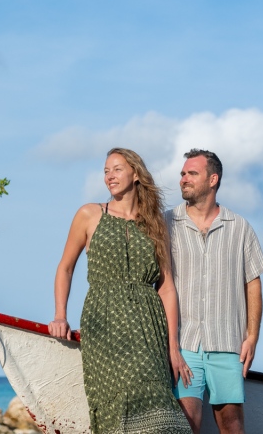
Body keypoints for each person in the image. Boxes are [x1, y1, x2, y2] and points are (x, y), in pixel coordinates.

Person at [48, 148, 191, 434]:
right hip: (104, 323)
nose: (109, 177)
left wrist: (173, 347)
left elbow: (166, 286)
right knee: (114, 400)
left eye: (116, 169)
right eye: (105, 171)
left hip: (147, 325)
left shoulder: (155, 224)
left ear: (135, 174)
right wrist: (60, 315)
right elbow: (65, 268)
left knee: (158, 400)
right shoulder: (89, 214)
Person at [166, 149, 263, 434]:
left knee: (232, 426)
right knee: (185, 424)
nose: (184, 178)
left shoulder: (240, 227)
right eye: (183, 173)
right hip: (183, 343)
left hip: (227, 343)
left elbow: (253, 283)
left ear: (213, 179)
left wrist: (253, 336)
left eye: (191, 173)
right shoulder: (166, 223)